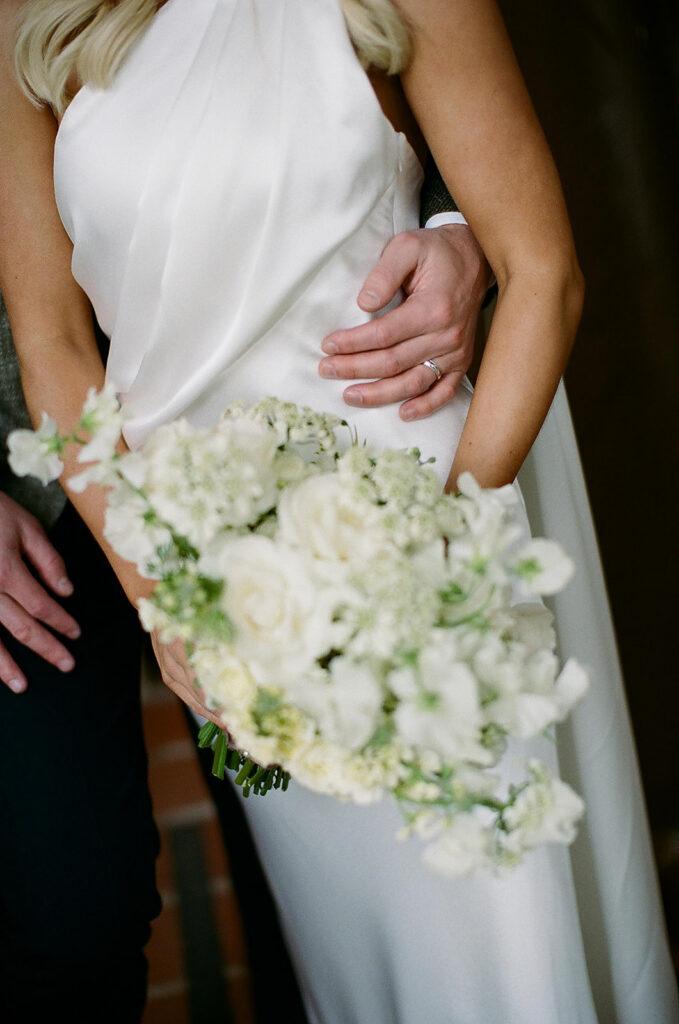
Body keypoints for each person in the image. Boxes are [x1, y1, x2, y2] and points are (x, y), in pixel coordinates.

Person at [1, 1, 677, 1022]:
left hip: (431, 519)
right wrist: (163, 603)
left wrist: (442, 557)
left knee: (505, 935)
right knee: (363, 961)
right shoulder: (24, 23)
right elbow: (51, 343)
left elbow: (542, 271)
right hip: (237, 594)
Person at [0, 86, 490, 1024]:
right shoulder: (20, 38)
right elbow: (46, 334)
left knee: (319, 837)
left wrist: (461, 221)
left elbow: (416, 80)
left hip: (278, 435)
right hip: (30, 493)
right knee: (73, 912)